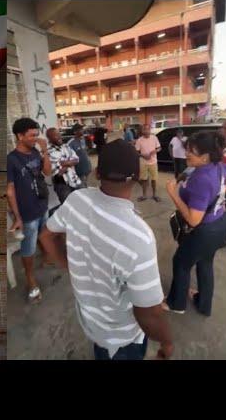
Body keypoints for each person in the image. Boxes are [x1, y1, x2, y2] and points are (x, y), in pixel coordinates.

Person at [39, 139, 174, 360]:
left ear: (98, 173)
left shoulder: (76, 199)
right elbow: (148, 313)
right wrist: (167, 342)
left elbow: (46, 235)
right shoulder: (139, 237)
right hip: (122, 339)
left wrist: (69, 266)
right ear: (138, 176)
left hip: (91, 321)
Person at [163, 130, 226, 316]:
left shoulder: (201, 179)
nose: (187, 153)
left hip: (204, 231)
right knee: (205, 262)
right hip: (219, 223)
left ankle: (176, 303)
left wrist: (173, 193)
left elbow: (193, 220)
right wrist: (220, 191)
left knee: (181, 263)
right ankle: (203, 304)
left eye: (191, 151)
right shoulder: (217, 166)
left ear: (205, 157)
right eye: (187, 149)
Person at [6, 118, 52, 304]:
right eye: (32, 135)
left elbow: (47, 172)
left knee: (43, 234)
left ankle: (47, 256)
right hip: (28, 213)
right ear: (20, 136)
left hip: (42, 204)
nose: (36, 138)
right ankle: (30, 279)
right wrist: (17, 217)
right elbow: (10, 191)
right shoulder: (11, 160)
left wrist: (45, 151)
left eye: (36, 134)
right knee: (28, 248)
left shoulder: (34, 151)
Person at [46, 127, 82, 205]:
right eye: (56, 135)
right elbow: (57, 172)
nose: (59, 137)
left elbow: (77, 159)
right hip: (62, 185)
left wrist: (63, 163)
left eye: (59, 134)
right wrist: (70, 162)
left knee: (80, 203)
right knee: (68, 207)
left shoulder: (66, 146)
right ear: (49, 138)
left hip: (75, 180)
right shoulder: (48, 152)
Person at [134, 123, 162, 202]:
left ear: (150, 130)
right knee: (144, 180)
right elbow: (136, 152)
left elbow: (159, 148)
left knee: (154, 179)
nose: (146, 131)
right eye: (144, 129)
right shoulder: (139, 140)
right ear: (142, 130)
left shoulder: (154, 138)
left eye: (147, 129)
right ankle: (144, 195)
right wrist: (143, 155)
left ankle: (154, 195)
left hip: (153, 162)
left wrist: (155, 151)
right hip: (143, 163)